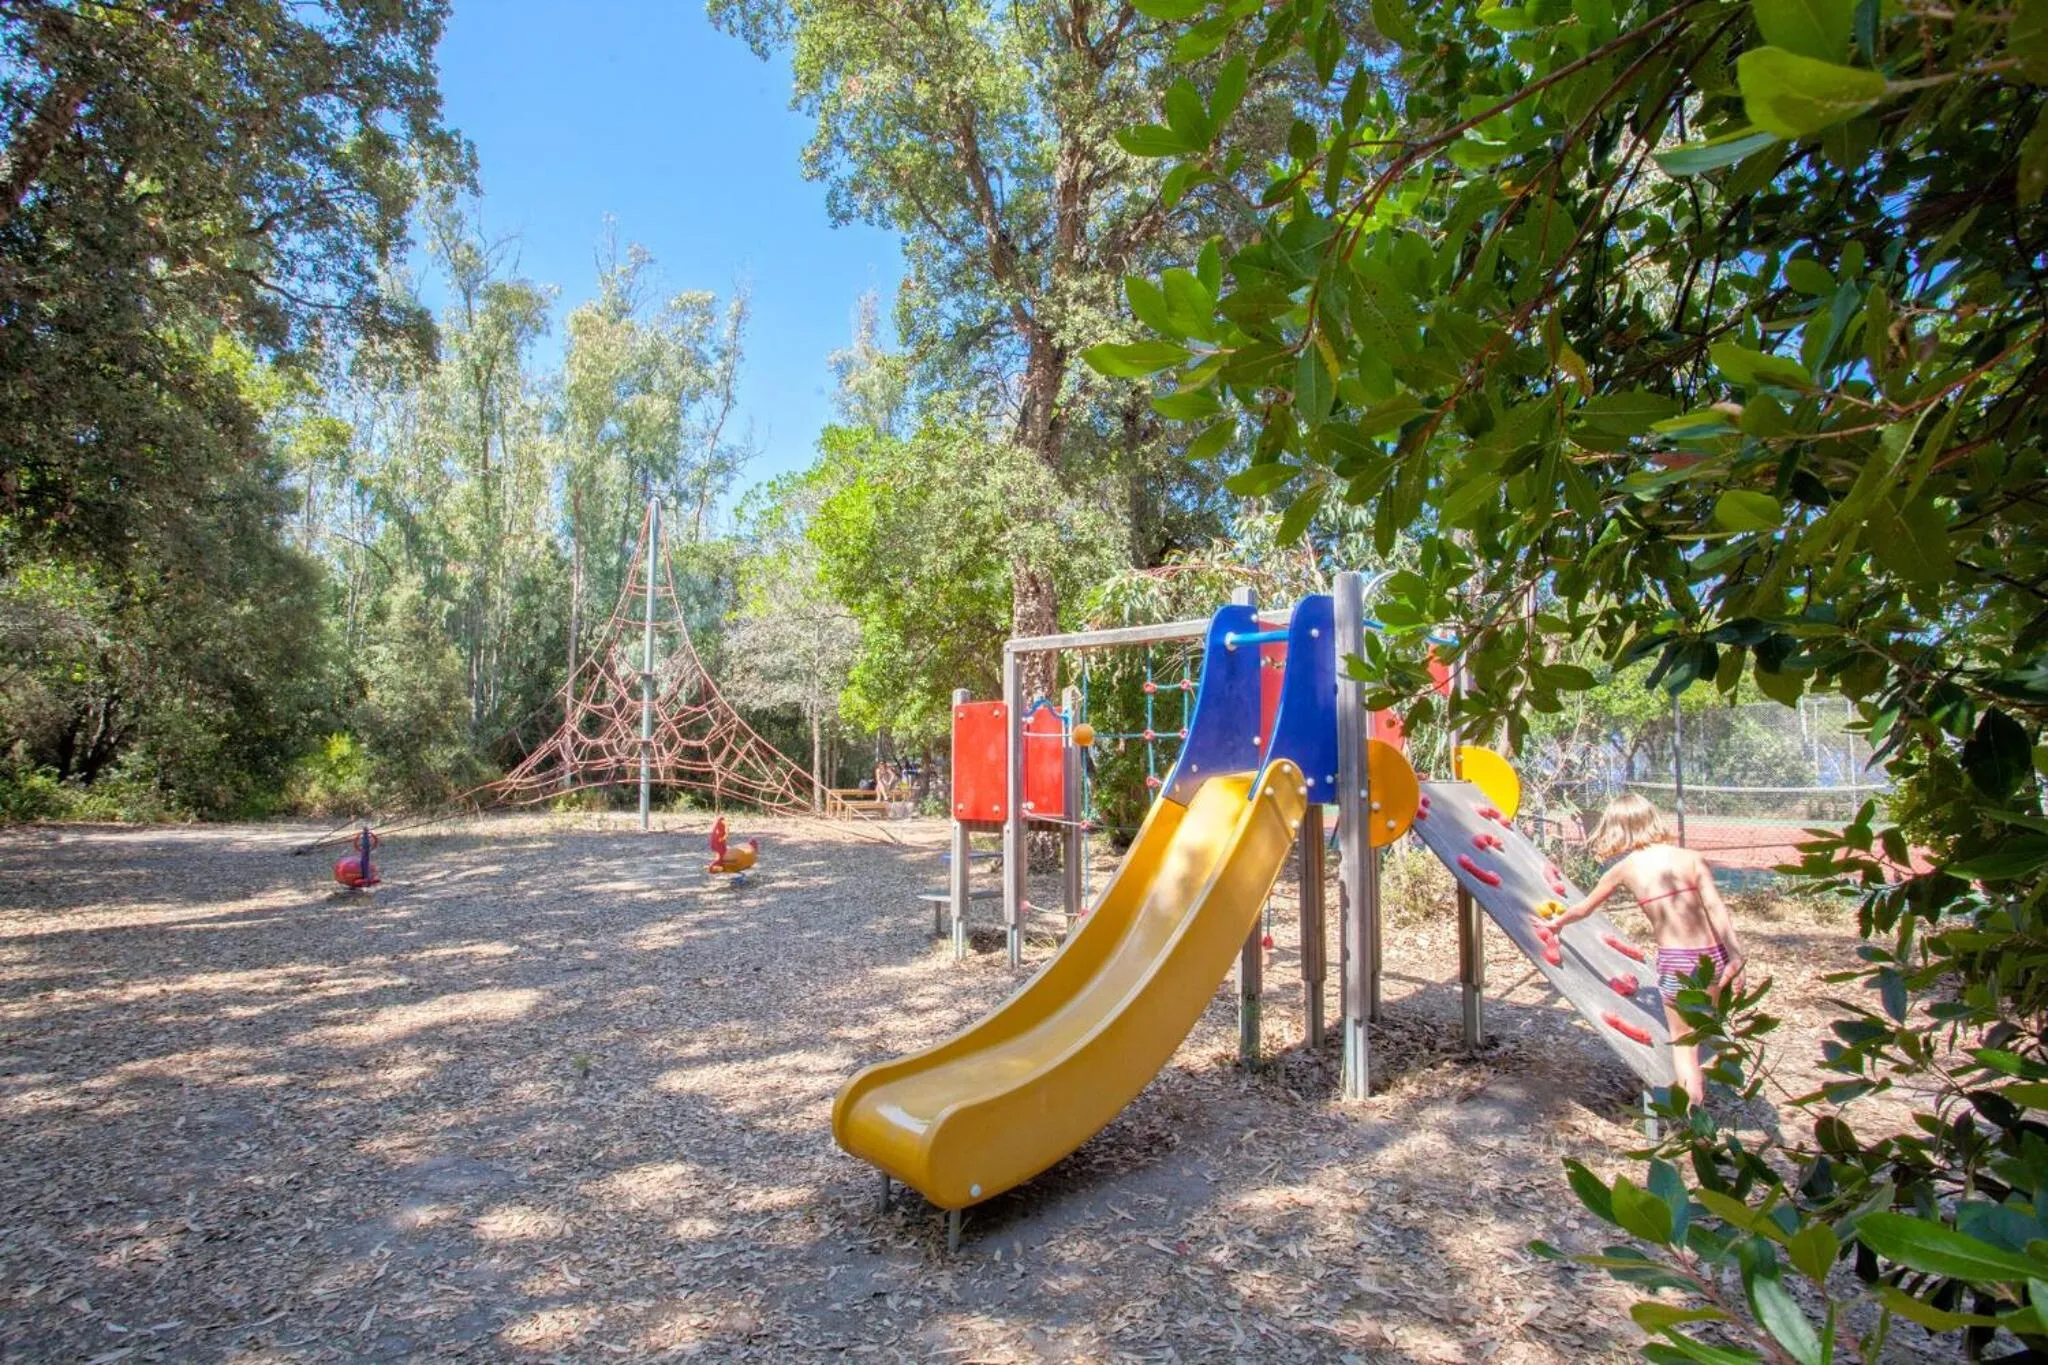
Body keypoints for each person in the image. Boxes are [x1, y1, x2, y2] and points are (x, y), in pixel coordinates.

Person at [1550, 793, 1748, 1106]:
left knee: (1684, 1045)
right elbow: (1714, 906)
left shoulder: (1625, 869)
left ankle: (1693, 1123)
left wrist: (1556, 924)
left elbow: (1585, 909)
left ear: (1617, 827)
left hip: (1676, 961)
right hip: (1711, 955)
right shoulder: (1690, 858)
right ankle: (1704, 1097)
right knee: (1699, 1033)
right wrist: (1735, 954)